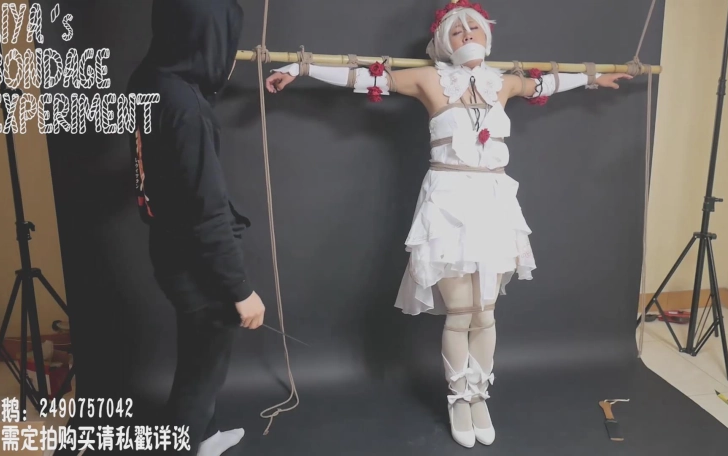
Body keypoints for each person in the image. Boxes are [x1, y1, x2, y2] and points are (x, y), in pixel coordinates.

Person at [264, 0, 633, 448]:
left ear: (487, 36)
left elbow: (548, 83)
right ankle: (459, 397)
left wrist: (594, 77)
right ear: (443, 41)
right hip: (449, 202)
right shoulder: (428, 79)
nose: (467, 35)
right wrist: (301, 68)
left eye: (474, 28)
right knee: (461, 313)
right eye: (457, 31)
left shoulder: (502, 83)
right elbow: (364, 78)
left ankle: (480, 396)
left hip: (494, 201)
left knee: (486, 312)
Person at [127, 0, 265, 454]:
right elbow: (206, 212)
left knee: (196, 358)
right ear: (207, 38)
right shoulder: (187, 109)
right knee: (201, 375)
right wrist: (241, 290)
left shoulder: (148, 80)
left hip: (168, 246)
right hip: (198, 262)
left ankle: (202, 437)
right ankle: (186, 444)